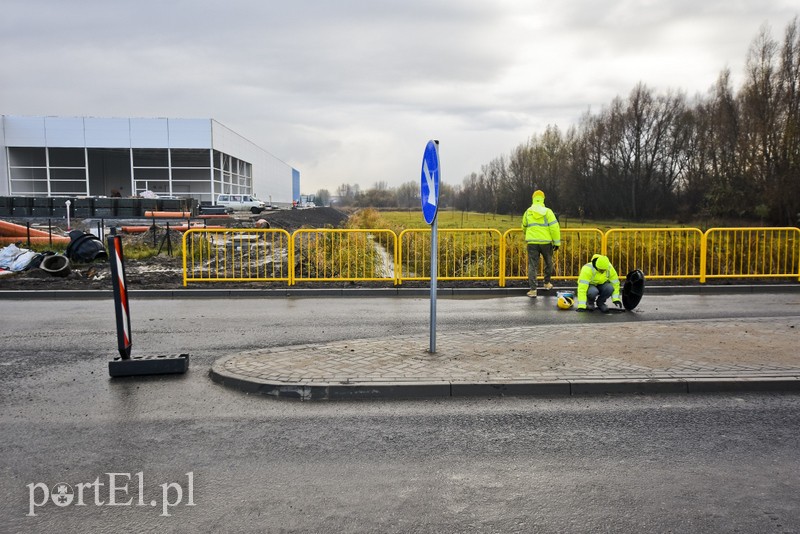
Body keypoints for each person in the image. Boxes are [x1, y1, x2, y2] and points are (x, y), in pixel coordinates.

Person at [521, 190, 561, 298]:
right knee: (549, 263)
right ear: (543, 199)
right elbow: (554, 228)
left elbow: (524, 226)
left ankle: (533, 290)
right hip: (546, 243)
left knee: (532, 266)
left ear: (533, 198)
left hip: (532, 243)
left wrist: (528, 235)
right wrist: (556, 242)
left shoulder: (528, 212)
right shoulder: (548, 212)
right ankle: (547, 284)